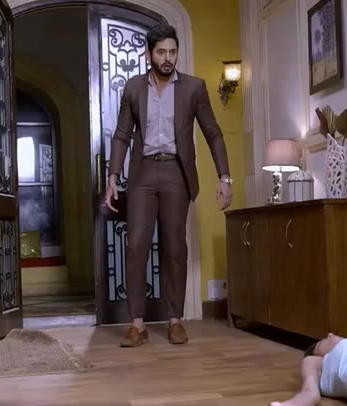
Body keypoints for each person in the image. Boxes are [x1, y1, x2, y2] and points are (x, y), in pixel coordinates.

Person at [104, 23, 233, 348]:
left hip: (177, 172)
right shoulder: (134, 88)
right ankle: (137, 324)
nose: (168, 58)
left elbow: (213, 133)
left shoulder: (194, 88)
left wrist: (224, 177)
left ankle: (175, 320)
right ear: (149, 54)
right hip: (143, 174)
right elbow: (121, 135)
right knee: (136, 246)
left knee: (175, 247)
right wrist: (113, 176)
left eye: (173, 52)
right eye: (161, 52)